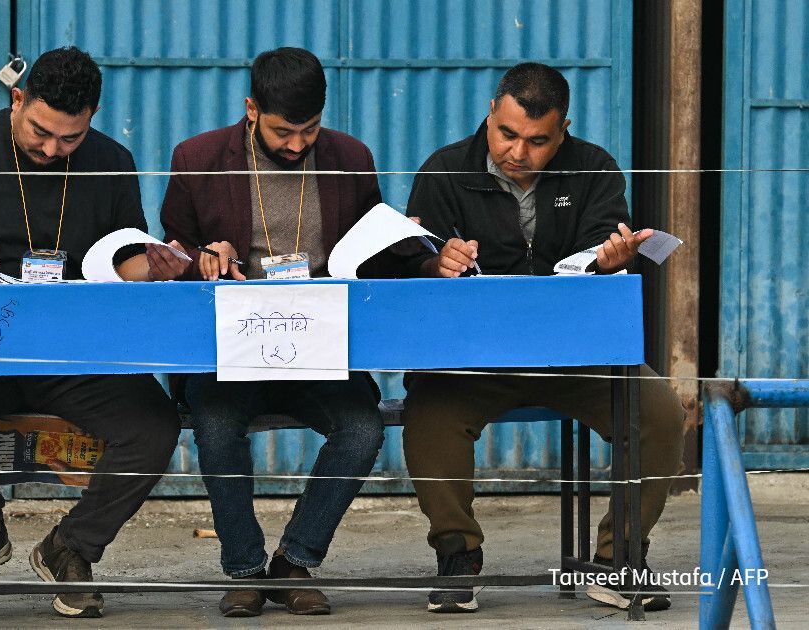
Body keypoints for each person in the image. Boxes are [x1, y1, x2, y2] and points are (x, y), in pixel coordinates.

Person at [0, 46, 186, 619]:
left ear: (92, 117)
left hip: (75, 346)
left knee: (154, 425)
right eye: (41, 132)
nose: (53, 149)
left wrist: (157, 266)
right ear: (18, 98)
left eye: (70, 139)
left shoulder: (112, 160)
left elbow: (122, 259)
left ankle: (70, 547)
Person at [398, 62, 685, 614]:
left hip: (573, 354)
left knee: (659, 414)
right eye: (507, 134)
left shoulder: (595, 169)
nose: (518, 153)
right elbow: (409, 262)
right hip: (473, 359)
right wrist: (437, 264)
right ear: (490, 116)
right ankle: (458, 558)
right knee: (429, 415)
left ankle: (618, 559)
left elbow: (604, 252)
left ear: (563, 131)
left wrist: (610, 262)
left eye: (537, 141)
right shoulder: (444, 170)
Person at [161, 47, 392, 617]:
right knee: (215, 424)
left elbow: (372, 250)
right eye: (283, 131)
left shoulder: (351, 157)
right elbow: (170, 251)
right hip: (230, 347)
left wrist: (402, 241)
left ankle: (294, 563)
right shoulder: (198, 159)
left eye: (309, 130)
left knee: (363, 429)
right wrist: (202, 260)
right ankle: (243, 568)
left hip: (317, 346)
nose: (296, 145)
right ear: (250, 110)